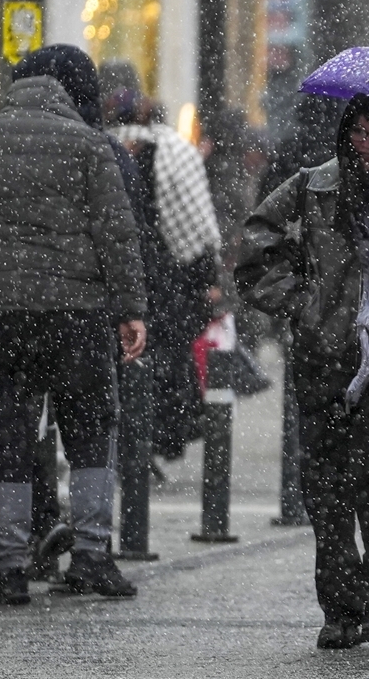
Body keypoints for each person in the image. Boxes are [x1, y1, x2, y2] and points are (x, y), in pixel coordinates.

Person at [236, 94, 369, 649]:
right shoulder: (310, 186)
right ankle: (340, 606)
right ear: (346, 133)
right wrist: (302, 302)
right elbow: (255, 249)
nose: (368, 145)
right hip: (323, 361)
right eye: (361, 132)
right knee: (327, 489)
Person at [0, 46, 147, 604]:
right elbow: (116, 234)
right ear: (69, 94)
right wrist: (131, 310)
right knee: (91, 431)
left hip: (1, 315)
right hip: (77, 313)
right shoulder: (90, 145)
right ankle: (91, 555)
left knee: (7, 438)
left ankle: (12, 570)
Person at [109, 87, 223, 461]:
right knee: (167, 357)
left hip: (134, 273)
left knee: (136, 360)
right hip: (170, 276)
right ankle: (162, 436)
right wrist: (206, 279)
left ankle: (139, 440)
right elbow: (197, 223)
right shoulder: (176, 151)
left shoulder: (107, 151)